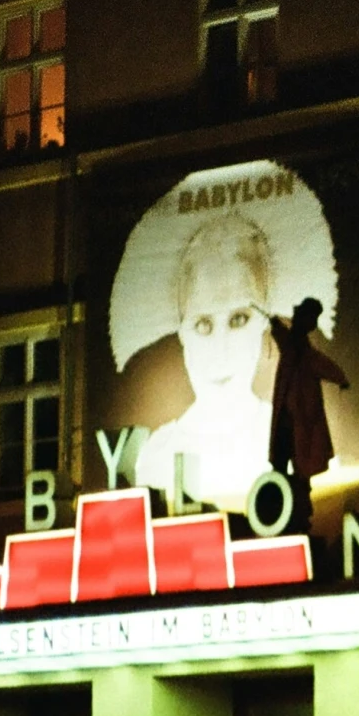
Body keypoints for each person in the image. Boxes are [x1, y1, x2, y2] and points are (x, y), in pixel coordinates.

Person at [133, 213, 279, 510]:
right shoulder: (155, 456)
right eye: (203, 325)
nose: (221, 349)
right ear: (182, 333)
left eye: (239, 319)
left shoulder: (289, 438)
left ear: (264, 322)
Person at [266, 295, 350, 534]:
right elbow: (326, 366)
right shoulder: (295, 347)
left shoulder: (303, 352)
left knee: (298, 472)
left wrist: (341, 378)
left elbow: (325, 366)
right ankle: (281, 509)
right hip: (289, 423)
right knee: (285, 469)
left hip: (297, 424)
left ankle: (293, 512)